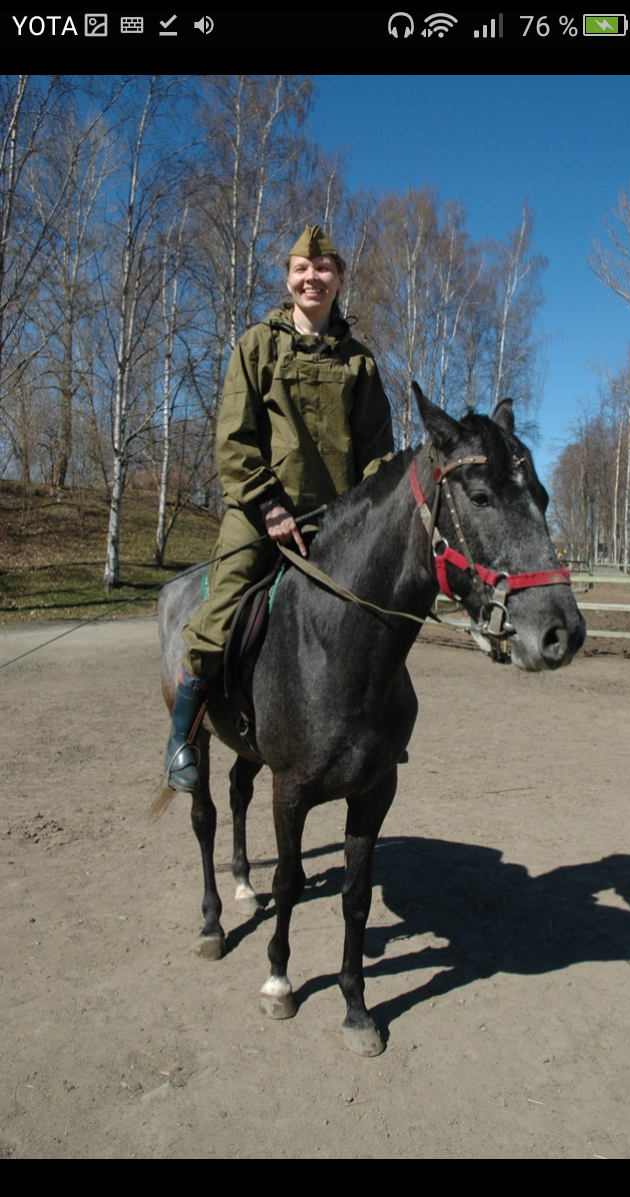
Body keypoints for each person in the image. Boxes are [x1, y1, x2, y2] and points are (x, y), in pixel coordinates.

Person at [165, 224, 394, 791]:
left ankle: (379, 731)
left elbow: (376, 454)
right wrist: (268, 505)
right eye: (301, 269)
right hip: (259, 511)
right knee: (220, 613)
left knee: (377, 617)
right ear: (288, 278)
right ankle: (180, 739)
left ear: (340, 279)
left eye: (323, 269)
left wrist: (361, 517)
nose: (311, 278)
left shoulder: (361, 364)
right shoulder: (256, 346)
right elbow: (234, 439)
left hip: (334, 521)